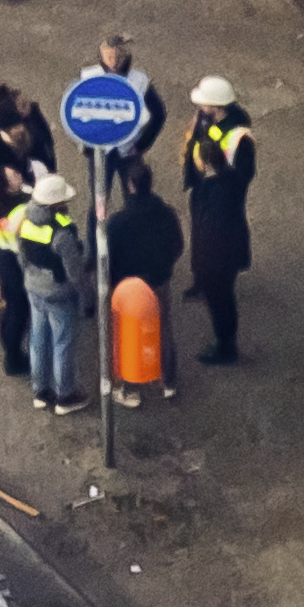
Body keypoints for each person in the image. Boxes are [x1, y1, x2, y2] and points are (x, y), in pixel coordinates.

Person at [0, 86, 50, 380]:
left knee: (12, 300)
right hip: (15, 261)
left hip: (6, 258)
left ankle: (10, 332)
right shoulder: (10, 207)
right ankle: (13, 355)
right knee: (18, 306)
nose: (22, 126)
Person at [181, 74, 256, 364]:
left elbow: (241, 180)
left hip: (221, 206)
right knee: (199, 242)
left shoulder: (240, 139)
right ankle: (201, 279)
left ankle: (226, 346)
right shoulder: (207, 118)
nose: (200, 108)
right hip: (204, 193)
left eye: (204, 104)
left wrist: (219, 168)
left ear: (218, 107)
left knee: (219, 285)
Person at [2, 170, 85, 411]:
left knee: (38, 339)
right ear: (56, 203)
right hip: (58, 294)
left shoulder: (24, 219)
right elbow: (75, 273)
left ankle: (41, 391)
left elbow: (22, 257)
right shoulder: (62, 232)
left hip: (33, 289)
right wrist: (86, 296)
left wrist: (31, 278)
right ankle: (66, 396)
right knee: (63, 343)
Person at [103, 159, 185, 404]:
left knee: (129, 335)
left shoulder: (118, 223)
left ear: (130, 186)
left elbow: (110, 257)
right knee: (163, 328)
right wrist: (164, 267)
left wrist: (113, 282)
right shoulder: (166, 213)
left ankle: (132, 387)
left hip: (129, 288)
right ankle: (168, 381)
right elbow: (177, 245)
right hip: (158, 280)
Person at [94, 33, 170, 166]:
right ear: (102, 57)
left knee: (136, 185)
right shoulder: (90, 78)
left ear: (126, 56)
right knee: (98, 186)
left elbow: (158, 114)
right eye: (109, 57)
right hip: (100, 149)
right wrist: (85, 144)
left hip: (129, 149)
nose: (114, 62)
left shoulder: (140, 81)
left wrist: (141, 144)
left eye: (118, 57)